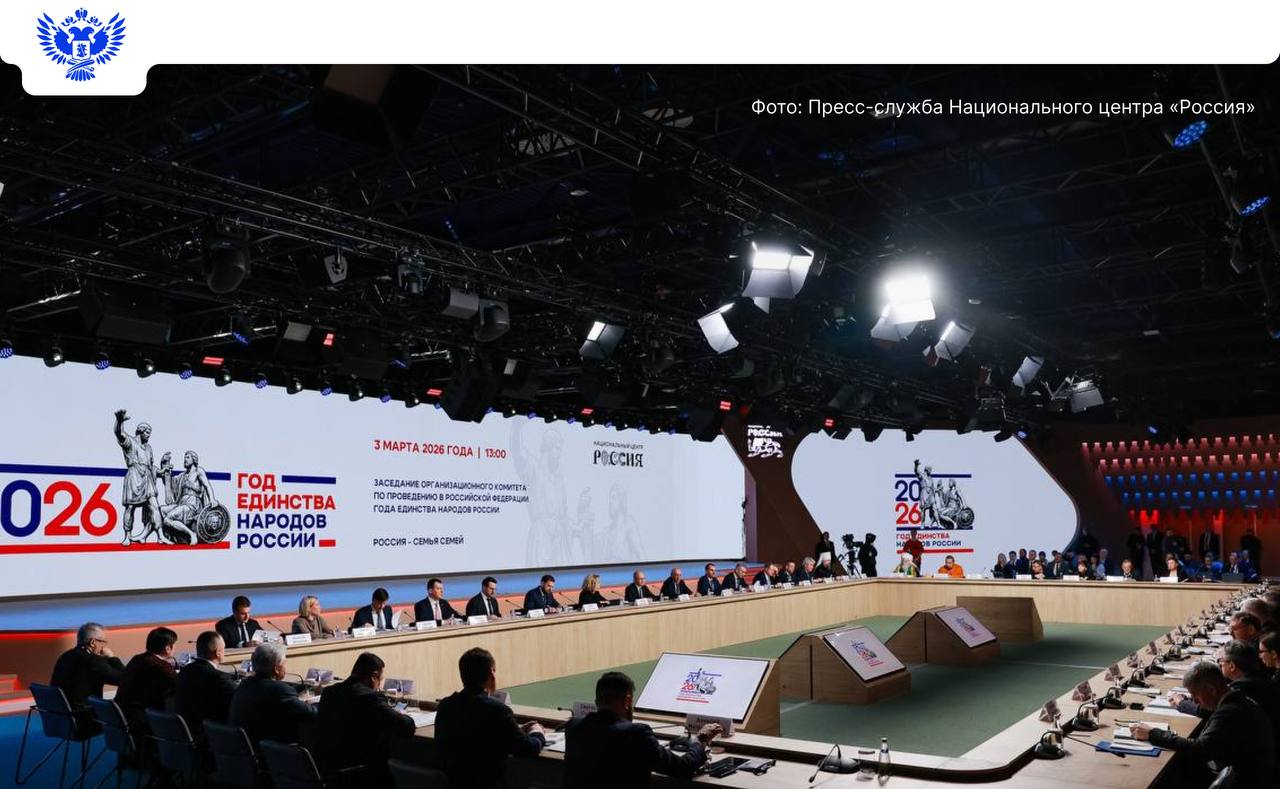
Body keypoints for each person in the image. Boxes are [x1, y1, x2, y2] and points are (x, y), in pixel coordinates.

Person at [563, 671, 716, 789]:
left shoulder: (573, 726)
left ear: (597, 701)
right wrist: (700, 740)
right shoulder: (636, 733)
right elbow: (683, 768)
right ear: (628, 700)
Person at [1133, 661, 1274, 785]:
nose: (1194, 701)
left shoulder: (1229, 712)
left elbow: (1200, 749)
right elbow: (1206, 712)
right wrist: (1184, 703)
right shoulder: (1234, 696)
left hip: (1247, 780)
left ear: (1211, 690)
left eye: (1195, 695)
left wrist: (1153, 733)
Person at [434, 647, 546, 788]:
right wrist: (537, 733)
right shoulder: (498, 711)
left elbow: (474, 733)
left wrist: (515, 731)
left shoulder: (446, 706)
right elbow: (527, 749)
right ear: (492, 673)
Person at [317, 652, 415, 785]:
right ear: (374, 676)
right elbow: (406, 727)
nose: (379, 685)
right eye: (380, 680)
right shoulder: (370, 697)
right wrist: (401, 715)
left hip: (328, 771)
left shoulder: (329, 692)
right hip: (360, 775)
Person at [229, 642, 317, 747]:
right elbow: (312, 713)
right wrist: (313, 700)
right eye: (284, 663)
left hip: (244, 749)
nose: (286, 668)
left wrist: (297, 696)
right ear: (276, 669)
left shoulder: (245, 684)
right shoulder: (280, 691)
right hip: (273, 751)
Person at [50, 622, 125, 731]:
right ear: (93, 642)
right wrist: (112, 657)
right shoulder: (94, 661)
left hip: (59, 718)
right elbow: (124, 679)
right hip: (85, 720)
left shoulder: (65, 656)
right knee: (128, 713)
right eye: (103, 642)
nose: (105, 646)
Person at [115, 626, 179, 737]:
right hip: (143, 725)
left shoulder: (137, 659)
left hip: (122, 720)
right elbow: (181, 685)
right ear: (168, 648)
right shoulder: (160, 666)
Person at [175, 630, 236, 741]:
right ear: (218, 652)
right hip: (212, 738)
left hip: (185, 734)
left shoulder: (184, 671)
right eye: (224, 648)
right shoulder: (219, 678)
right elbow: (238, 699)